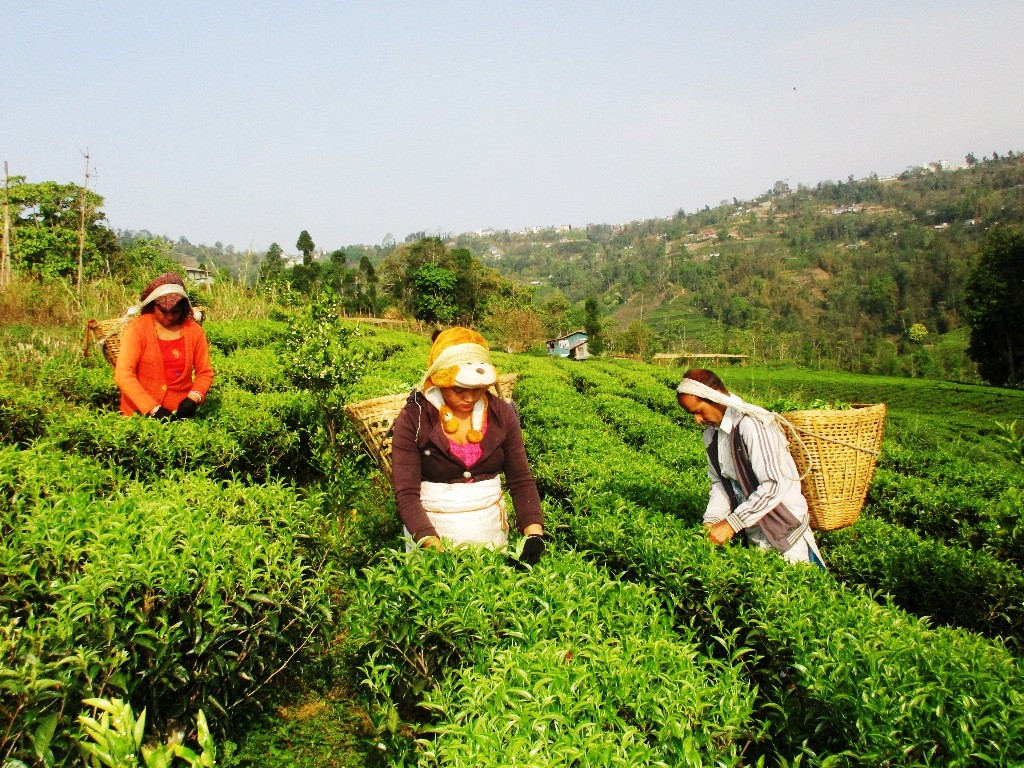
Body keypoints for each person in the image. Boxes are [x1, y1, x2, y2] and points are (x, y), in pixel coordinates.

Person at [391, 327, 546, 563]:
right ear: (439, 381)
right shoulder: (415, 417)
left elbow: (521, 478)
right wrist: (432, 546)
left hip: (490, 534)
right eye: (459, 389)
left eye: (477, 389)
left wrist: (534, 534)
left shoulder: (501, 413)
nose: (469, 398)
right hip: (432, 537)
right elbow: (407, 493)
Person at [677, 368, 825, 568]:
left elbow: (774, 483)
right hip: (756, 535)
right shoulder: (711, 437)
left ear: (715, 397)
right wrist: (712, 520)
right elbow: (721, 483)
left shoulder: (752, 425)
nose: (697, 420)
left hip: (787, 536)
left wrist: (732, 523)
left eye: (698, 411)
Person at [114, 272, 214, 419]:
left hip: (178, 415)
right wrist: (152, 408)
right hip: (138, 414)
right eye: (163, 311)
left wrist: (194, 398)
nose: (169, 317)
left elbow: (204, 373)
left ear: (183, 309)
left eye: (175, 312)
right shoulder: (137, 329)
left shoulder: (194, 332)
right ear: (153, 305)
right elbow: (123, 375)